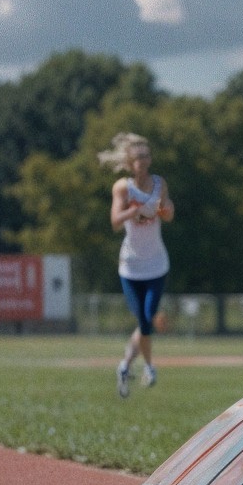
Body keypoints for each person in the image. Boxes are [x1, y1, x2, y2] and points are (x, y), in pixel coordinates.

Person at [104, 132, 172, 398]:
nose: (143, 161)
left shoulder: (158, 183)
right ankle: (143, 366)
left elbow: (169, 211)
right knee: (144, 322)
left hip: (156, 265)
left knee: (146, 322)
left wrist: (164, 209)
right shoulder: (123, 187)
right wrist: (135, 210)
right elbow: (114, 221)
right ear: (131, 163)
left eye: (147, 156)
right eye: (138, 158)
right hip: (131, 268)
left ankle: (132, 366)